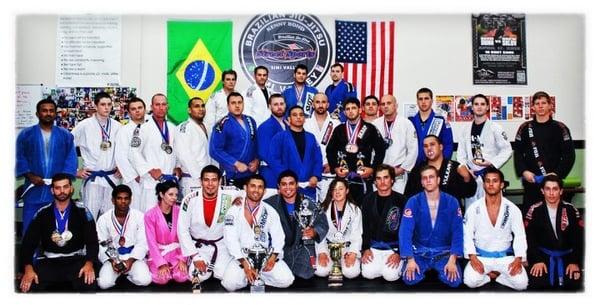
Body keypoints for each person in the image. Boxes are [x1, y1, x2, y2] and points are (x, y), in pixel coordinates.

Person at [19, 174, 98, 293]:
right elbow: (28, 244)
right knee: (28, 287)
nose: (62, 191)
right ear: (52, 190)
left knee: (89, 285)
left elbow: (92, 242)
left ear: (71, 188)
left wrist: (89, 263)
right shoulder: (42, 213)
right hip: (49, 261)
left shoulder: (82, 212)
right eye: (57, 188)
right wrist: (28, 268)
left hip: (75, 261)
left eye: (65, 187)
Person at [221, 174, 294, 292]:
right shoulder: (234, 211)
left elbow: (279, 237)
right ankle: (248, 275)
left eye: (260, 187)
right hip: (242, 256)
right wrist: (244, 264)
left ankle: (258, 276)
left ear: (264, 191)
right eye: (253, 186)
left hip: (264, 257)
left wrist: (273, 257)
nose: (256, 190)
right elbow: (230, 240)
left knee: (287, 280)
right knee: (229, 284)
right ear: (245, 188)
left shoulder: (270, 211)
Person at [16, 98, 77, 234]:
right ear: (38, 113)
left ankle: (55, 255)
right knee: (30, 230)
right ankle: (32, 256)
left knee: (57, 230)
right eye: (44, 110)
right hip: (33, 191)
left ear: (55, 113)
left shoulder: (65, 135)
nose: (48, 113)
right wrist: (30, 175)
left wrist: (62, 182)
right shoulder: (26, 135)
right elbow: (19, 157)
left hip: (57, 193)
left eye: (51, 111)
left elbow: (71, 159)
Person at [463, 168, 528, 290]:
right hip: (481, 256)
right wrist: (473, 257)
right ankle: (489, 277)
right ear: (483, 184)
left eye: (495, 181)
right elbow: (467, 235)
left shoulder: (512, 209)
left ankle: (498, 276)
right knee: (469, 281)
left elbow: (520, 235)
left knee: (522, 284)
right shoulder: (474, 208)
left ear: (501, 184)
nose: (491, 184)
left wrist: (518, 258)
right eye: (487, 181)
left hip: (505, 258)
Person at [399, 165, 463, 288]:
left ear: (438, 180)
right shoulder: (413, 201)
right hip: (419, 252)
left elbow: (458, 232)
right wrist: (410, 259)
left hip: (444, 252)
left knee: (455, 281)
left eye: (431, 177)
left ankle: (439, 267)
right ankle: (422, 266)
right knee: (409, 279)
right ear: (422, 182)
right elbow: (405, 232)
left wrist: (452, 259)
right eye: (424, 178)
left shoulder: (452, 201)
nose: (428, 180)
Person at [177, 165, 242, 285]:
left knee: (222, 275)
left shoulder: (229, 195)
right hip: (200, 248)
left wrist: (239, 199)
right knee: (196, 276)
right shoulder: (190, 199)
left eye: (214, 180)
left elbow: (246, 194)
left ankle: (216, 268)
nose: (210, 184)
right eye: (206, 180)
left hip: (221, 245)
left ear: (220, 181)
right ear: (200, 181)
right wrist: (195, 257)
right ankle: (200, 264)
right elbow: (182, 230)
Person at [514, 91, 575, 211]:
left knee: (554, 218)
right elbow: (518, 154)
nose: (540, 106)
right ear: (533, 107)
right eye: (537, 103)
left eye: (543, 103)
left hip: (553, 184)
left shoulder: (560, 128)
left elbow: (569, 155)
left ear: (550, 106)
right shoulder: (525, 128)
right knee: (530, 219)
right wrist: (524, 172)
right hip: (532, 182)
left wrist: (557, 174)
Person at [264, 170, 328, 279]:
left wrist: (315, 231)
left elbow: (323, 223)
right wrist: (239, 200)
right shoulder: (269, 204)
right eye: (284, 184)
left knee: (305, 275)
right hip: (279, 250)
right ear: (278, 187)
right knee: (281, 276)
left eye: (291, 184)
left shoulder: (309, 203)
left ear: (297, 185)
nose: (288, 188)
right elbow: (253, 205)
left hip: (302, 249)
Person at [525, 175, 583, 290]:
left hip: (567, 257)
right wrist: (537, 260)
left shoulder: (571, 210)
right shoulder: (534, 210)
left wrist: (574, 262)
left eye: (555, 189)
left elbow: (579, 239)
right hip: (543, 257)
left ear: (561, 191)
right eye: (548, 189)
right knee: (537, 283)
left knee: (573, 283)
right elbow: (530, 239)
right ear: (542, 191)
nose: (551, 193)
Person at [326, 97, 386, 206]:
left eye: (353, 108)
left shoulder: (370, 128)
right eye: (347, 109)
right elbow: (330, 150)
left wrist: (372, 169)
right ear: (344, 112)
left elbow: (380, 150)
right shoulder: (339, 129)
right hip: (343, 178)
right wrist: (334, 167)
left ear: (359, 110)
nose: (350, 111)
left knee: (364, 211)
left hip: (363, 177)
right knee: (341, 209)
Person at [72, 91, 122, 220]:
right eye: (103, 104)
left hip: (112, 177)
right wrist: (75, 171)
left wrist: (122, 167)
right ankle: (89, 241)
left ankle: (107, 240)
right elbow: (66, 147)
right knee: (90, 216)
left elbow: (125, 151)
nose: (106, 108)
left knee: (110, 217)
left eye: (109, 104)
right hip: (93, 178)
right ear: (96, 106)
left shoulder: (118, 126)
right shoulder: (84, 126)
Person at [457, 94, 512, 210]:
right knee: (471, 211)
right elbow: (461, 154)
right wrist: (466, 170)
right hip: (472, 176)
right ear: (472, 107)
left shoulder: (495, 127)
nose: (479, 107)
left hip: (489, 175)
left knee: (491, 210)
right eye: (476, 104)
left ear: (487, 107)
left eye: (482, 104)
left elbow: (507, 150)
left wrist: (491, 163)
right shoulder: (465, 129)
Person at [96, 184, 152, 289]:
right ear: (113, 200)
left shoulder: (139, 216)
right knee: (104, 284)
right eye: (119, 198)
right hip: (113, 257)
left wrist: (131, 261)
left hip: (133, 256)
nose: (123, 202)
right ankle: (117, 272)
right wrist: (113, 261)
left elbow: (143, 242)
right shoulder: (104, 219)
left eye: (126, 198)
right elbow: (101, 244)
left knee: (145, 280)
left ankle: (128, 275)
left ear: (130, 200)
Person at [130, 93, 179, 212]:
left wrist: (178, 167)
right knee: (149, 217)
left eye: (163, 104)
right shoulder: (143, 128)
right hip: (151, 183)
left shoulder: (172, 128)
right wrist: (150, 170)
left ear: (167, 107)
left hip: (169, 183)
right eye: (157, 105)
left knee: (168, 218)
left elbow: (177, 151)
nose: (161, 107)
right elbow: (133, 152)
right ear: (152, 107)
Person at [360, 165, 406, 281]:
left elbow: (407, 230)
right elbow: (364, 227)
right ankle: (380, 266)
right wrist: (365, 249)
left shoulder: (402, 200)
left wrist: (400, 253)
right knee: (368, 274)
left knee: (390, 276)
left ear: (392, 180)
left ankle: (401, 264)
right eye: (379, 178)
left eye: (386, 177)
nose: (382, 182)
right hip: (374, 247)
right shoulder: (368, 200)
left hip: (394, 248)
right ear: (375, 181)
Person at [405, 135, 477, 207]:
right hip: (424, 214)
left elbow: (470, 193)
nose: (429, 148)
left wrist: (467, 177)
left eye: (432, 144)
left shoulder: (455, 167)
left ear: (441, 147)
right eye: (425, 146)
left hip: (450, 214)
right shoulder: (418, 170)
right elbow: (408, 196)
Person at [268, 106, 323, 200]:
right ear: (289, 119)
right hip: (288, 187)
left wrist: (315, 176)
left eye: (301, 115)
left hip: (308, 186)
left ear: (304, 119)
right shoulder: (280, 137)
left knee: (309, 212)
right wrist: (287, 179)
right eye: (295, 115)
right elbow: (274, 160)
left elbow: (318, 159)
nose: (298, 117)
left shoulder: (311, 137)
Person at [314, 178, 362, 279]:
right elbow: (318, 233)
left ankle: (340, 264)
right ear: (331, 192)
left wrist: (353, 253)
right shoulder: (323, 209)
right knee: (320, 271)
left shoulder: (355, 210)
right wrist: (321, 252)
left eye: (340, 189)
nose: (337, 192)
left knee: (352, 273)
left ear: (347, 191)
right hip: (328, 247)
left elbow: (356, 234)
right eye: (334, 189)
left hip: (346, 248)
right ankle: (334, 263)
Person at [209, 92, 259, 189]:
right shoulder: (222, 124)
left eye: (239, 102)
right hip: (232, 174)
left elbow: (256, 144)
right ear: (228, 106)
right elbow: (214, 150)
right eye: (233, 103)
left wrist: (257, 160)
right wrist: (236, 163)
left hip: (250, 173)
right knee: (233, 203)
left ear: (243, 104)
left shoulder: (250, 121)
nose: (237, 106)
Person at [372, 94, 418, 194]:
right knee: (379, 204)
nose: (385, 106)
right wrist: (374, 169)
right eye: (383, 104)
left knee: (397, 205)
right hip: (379, 174)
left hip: (398, 174)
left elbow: (413, 150)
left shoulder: (406, 124)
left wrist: (402, 169)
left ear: (396, 105)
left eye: (389, 103)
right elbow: (371, 150)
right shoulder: (375, 124)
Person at [144, 180, 188, 285]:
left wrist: (183, 258)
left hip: (177, 253)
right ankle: (159, 266)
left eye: (176, 195)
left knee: (181, 276)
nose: (174, 198)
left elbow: (185, 236)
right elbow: (151, 242)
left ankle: (175, 267)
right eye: (170, 194)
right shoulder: (150, 215)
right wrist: (160, 264)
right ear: (161, 194)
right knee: (162, 278)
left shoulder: (180, 212)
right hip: (159, 253)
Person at [304, 93, 341, 201]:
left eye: (323, 102)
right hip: (310, 174)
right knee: (309, 208)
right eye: (317, 102)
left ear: (328, 105)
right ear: (312, 104)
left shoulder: (336, 123)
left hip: (329, 172)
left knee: (328, 208)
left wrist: (333, 164)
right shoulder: (305, 123)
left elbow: (341, 149)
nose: (320, 105)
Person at [114, 97, 147, 212]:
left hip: (151, 177)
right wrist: (135, 176)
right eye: (133, 109)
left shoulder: (151, 128)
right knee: (135, 212)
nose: (137, 111)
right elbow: (120, 157)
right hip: (133, 180)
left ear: (145, 109)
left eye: (140, 108)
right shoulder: (124, 131)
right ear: (129, 112)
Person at [174, 97, 211, 197]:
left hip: (206, 179)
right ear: (189, 110)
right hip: (192, 179)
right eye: (196, 106)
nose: (201, 109)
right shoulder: (185, 127)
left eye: (203, 106)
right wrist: (199, 175)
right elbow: (183, 154)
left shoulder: (206, 126)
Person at [409, 87, 454, 163]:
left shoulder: (441, 120)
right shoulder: (410, 121)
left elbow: (448, 145)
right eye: (420, 99)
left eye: (426, 98)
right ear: (417, 101)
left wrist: (442, 163)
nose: (423, 102)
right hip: (414, 166)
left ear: (432, 101)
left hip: (435, 165)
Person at [256, 93, 288, 189]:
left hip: (286, 172)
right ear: (270, 106)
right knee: (271, 202)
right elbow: (265, 154)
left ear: (285, 105)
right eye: (276, 104)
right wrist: (283, 173)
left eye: (281, 104)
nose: (279, 107)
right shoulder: (265, 127)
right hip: (271, 172)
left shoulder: (288, 125)